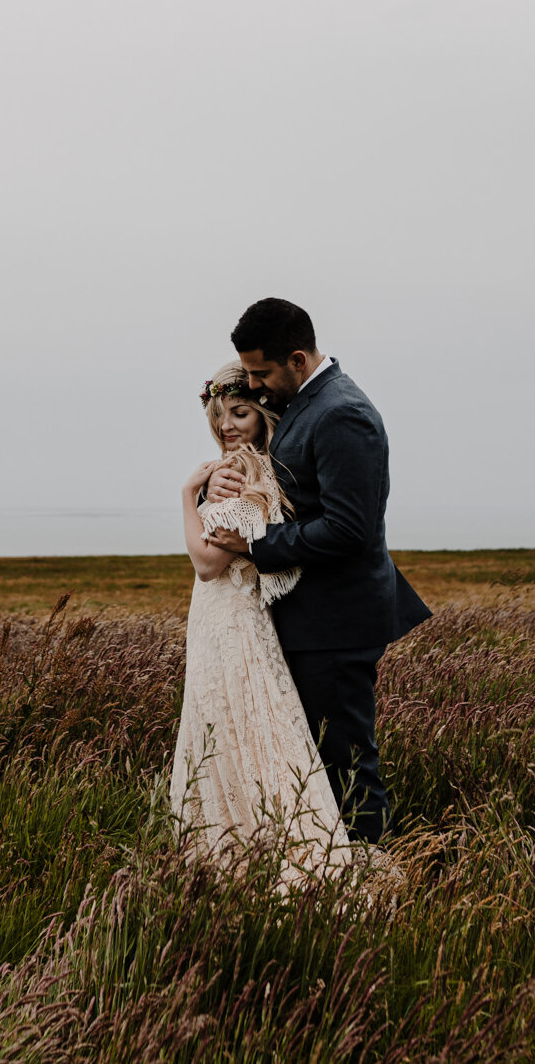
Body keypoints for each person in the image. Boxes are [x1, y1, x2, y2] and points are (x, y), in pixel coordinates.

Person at [202, 298, 431, 844]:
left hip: (338, 620)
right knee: (319, 759)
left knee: (346, 762)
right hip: (315, 617)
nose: (254, 386)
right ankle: (336, 875)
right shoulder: (308, 404)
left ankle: (377, 877)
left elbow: (349, 529)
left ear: (298, 359)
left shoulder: (342, 413)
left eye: (261, 372)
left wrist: (254, 544)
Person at [169, 363, 352, 885]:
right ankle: (238, 843)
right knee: (235, 728)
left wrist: (187, 496)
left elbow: (207, 564)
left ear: (264, 413)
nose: (227, 425)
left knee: (237, 727)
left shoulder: (239, 472)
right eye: (219, 415)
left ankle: (242, 851)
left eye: (240, 412)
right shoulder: (251, 465)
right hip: (225, 618)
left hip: (230, 618)